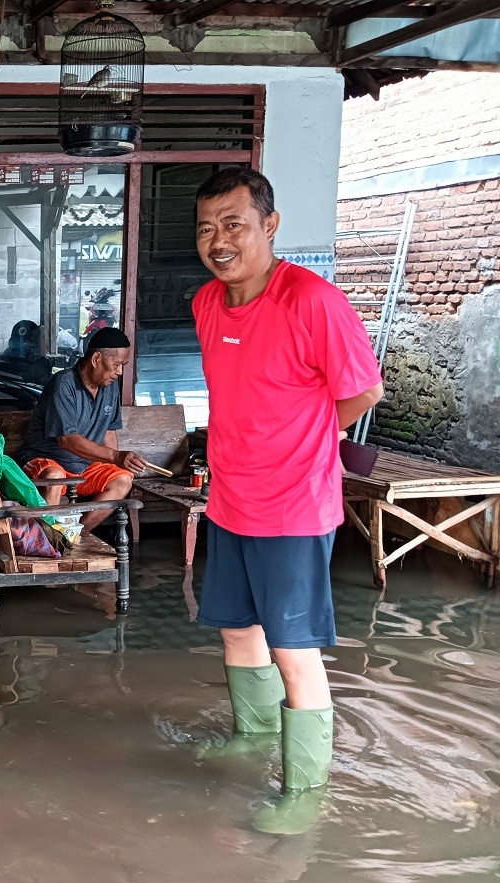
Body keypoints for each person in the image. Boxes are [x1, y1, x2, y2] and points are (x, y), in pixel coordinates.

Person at [191, 168, 383, 834]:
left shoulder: (313, 301)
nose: (220, 240)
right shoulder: (206, 303)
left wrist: (306, 435)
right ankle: (252, 735)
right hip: (230, 498)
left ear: (269, 225)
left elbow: (363, 390)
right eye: (207, 227)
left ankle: (304, 789)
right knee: (238, 628)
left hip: (294, 504)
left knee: (293, 646)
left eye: (234, 224)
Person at [13, 326, 149, 532]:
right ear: (96, 359)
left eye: (123, 366)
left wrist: (121, 464)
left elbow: (109, 432)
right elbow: (67, 440)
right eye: (116, 364)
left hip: (83, 467)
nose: (119, 372)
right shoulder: (64, 384)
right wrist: (116, 456)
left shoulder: (109, 387)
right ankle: (45, 543)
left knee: (122, 480)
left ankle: (74, 536)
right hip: (44, 460)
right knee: (54, 477)